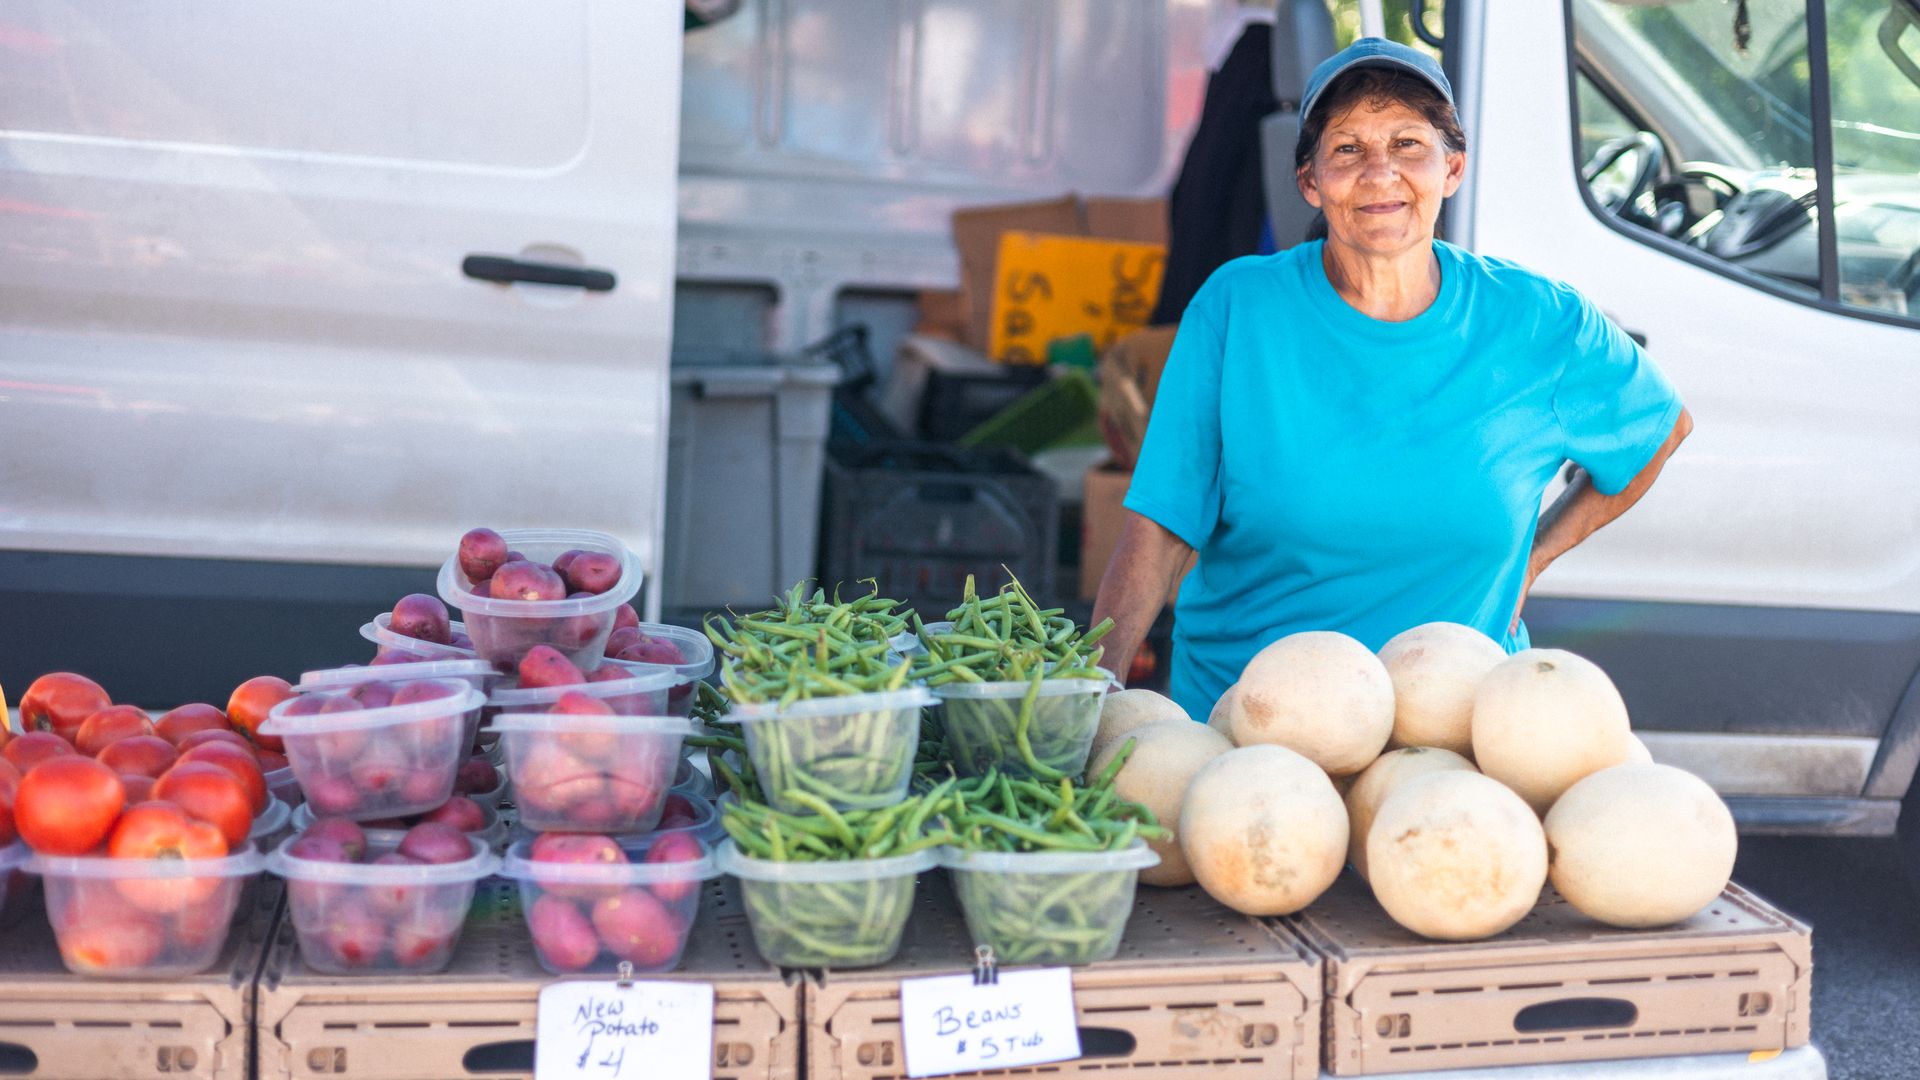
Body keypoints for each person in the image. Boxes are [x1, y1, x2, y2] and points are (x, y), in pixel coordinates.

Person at [1092, 38, 1692, 725]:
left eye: (1409, 144)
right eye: (1347, 148)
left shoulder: (1536, 321)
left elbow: (1661, 427)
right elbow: (1161, 528)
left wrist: (1533, 559)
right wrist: (1092, 695)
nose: (1380, 173)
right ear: (1311, 181)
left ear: (1452, 168)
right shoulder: (1239, 309)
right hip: (1248, 722)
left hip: (1447, 726)